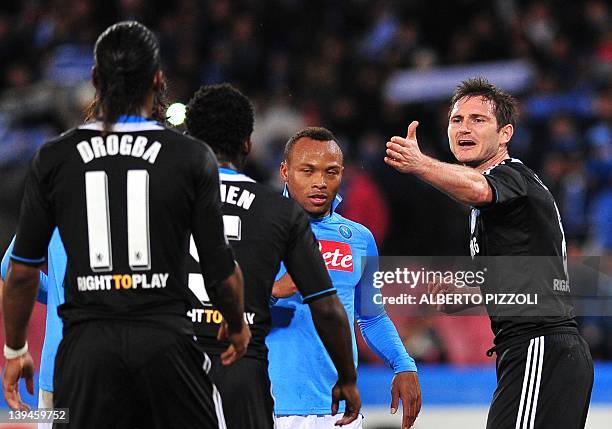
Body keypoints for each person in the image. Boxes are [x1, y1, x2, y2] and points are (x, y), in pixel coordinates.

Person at [2, 21, 250, 429]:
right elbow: (220, 268)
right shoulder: (189, 157)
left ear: (96, 79)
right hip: (165, 345)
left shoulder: (55, 160)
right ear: (157, 79)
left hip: (79, 358)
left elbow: (20, 272)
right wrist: (237, 324)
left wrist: (15, 351)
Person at [385, 77, 593, 429]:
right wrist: (467, 294)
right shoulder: (495, 206)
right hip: (535, 351)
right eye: (456, 120)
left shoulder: (510, 176)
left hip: (539, 348)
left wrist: (421, 164)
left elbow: (478, 189)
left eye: (478, 120)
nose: (464, 128)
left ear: (505, 134)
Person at [184, 83, 361, 429]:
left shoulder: (161, 201)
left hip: (174, 364)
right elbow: (326, 306)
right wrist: (347, 378)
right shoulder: (278, 212)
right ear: (249, 143)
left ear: (190, 139)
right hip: (242, 370)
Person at [268, 127, 421, 429]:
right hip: (267, 405)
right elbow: (223, 307)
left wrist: (403, 364)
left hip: (338, 410)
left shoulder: (358, 238)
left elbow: (372, 317)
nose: (320, 183)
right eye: (307, 171)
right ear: (285, 171)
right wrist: (273, 292)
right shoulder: (258, 228)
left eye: (331, 172)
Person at [1, 230, 66, 429]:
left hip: (61, 366)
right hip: (145, 357)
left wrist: (58, 298)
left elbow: (11, 267)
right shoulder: (156, 200)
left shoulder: (54, 198)